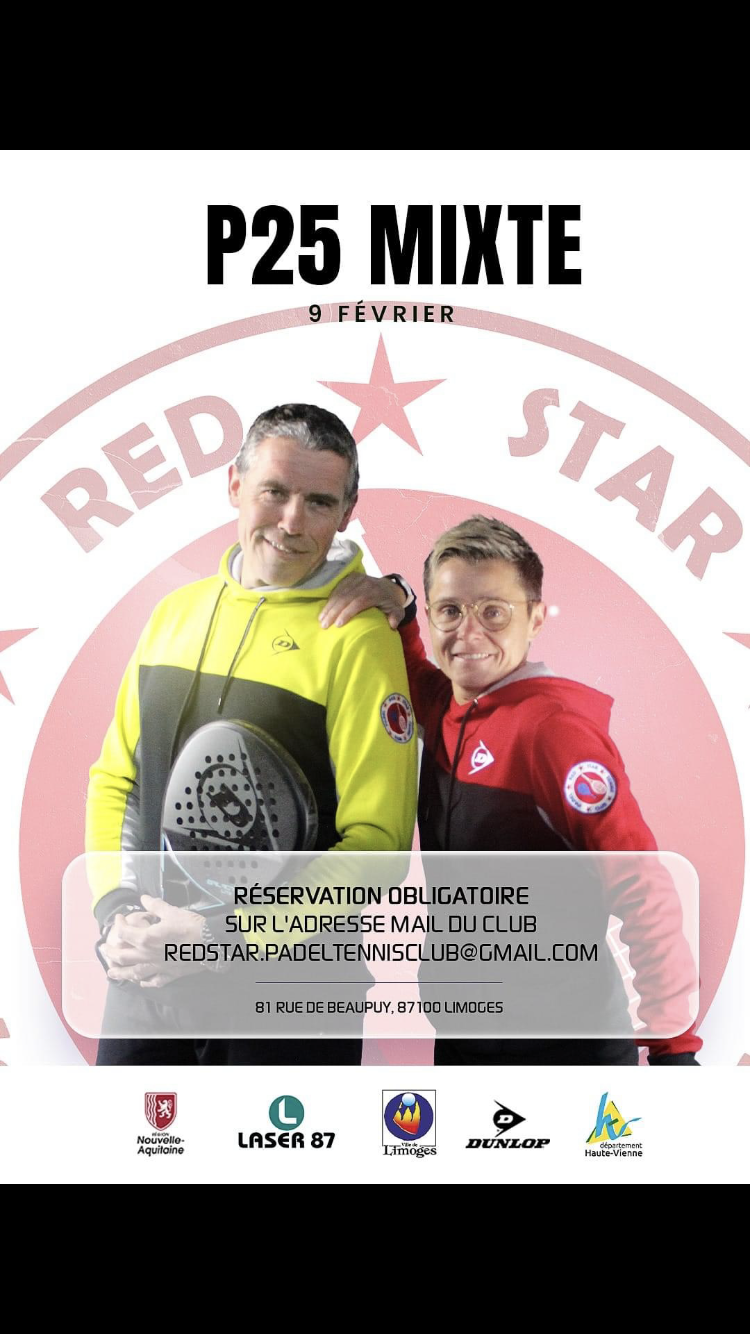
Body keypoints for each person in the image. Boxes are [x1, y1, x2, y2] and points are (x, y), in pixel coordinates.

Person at [87, 403, 418, 1066]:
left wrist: (222, 936)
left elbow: (378, 846)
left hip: (287, 1001)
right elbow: (117, 781)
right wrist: (117, 911)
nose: (292, 522)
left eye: (319, 502)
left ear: (347, 513)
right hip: (146, 983)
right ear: (235, 486)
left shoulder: (359, 640)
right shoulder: (173, 615)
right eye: (274, 492)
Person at [321, 515, 700, 1066]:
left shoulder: (556, 732)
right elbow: (414, 668)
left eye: (494, 612)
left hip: (564, 1053)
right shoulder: (446, 707)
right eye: (450, 611)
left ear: (536, 618)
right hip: (464, 1041)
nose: (468, 634)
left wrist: (673, 1050)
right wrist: (400, 602)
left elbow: (643, 887)